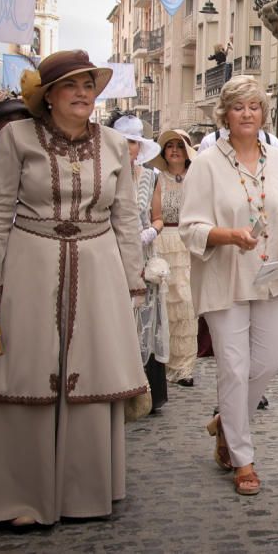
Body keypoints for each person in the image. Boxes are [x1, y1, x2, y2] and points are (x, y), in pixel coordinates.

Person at [0, 50, 148, 525]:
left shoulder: (115, 145)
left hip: (97, 268)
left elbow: (126, 218)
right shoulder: (17, 137)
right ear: (48, 95)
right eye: (70, 86)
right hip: (30, 261)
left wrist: (133, 279)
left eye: (88, 86)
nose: (81, 94)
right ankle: (17, 497)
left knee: (90, 372)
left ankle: (83, 494)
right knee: (25, 370)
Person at [179, 75, 278, 495]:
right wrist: (229, 235)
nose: (247, 114)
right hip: (225, 278)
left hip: (271, 277)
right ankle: (243, 458)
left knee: (268, 362)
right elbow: (189, 228)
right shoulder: (206, 163)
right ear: (225, 114)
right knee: (234, 368)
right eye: (239, 107)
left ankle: (226, 421)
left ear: (263, 113)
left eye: (254, 107)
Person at [112, 115, 168, 414]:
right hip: (110, 255)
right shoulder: (104, 175)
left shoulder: (151, 177)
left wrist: (149, 232)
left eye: (132, 143)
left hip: (144, 256)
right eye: (122, 142)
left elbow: (157, 218)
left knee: (145, 318)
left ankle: (149, 392)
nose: (127, 148)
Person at [149, 129, 200, 387]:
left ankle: (185, 367)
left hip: (191, 241)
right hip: (165, 241)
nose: (174, 151)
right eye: (169, 147)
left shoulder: (198, 178)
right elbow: (156, 215)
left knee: (188, 304)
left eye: (179, 146)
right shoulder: (159, 180)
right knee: (167, 304)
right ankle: (167, 362)